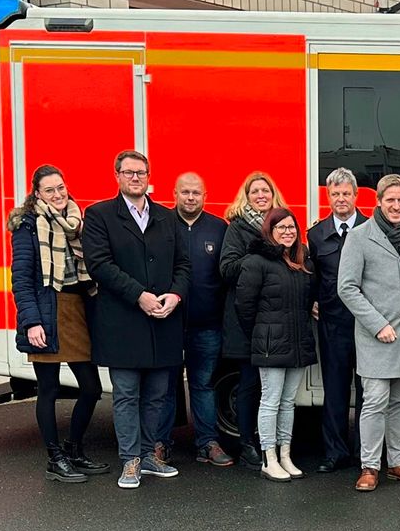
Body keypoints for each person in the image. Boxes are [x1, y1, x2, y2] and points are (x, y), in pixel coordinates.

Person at [83, 150, 190, 489]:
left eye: (141, 172)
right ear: (117, 176)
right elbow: (100, 265)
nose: (135, 178)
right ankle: (129, 461)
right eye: (128, 172)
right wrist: (139, 296)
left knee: (158, 395)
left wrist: (175, 295)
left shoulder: (167, 217)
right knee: (127, 394)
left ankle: (148, 454)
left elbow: (184, 265)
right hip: (123, 322)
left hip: (164, 319)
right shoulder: (99, 215)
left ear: (148, 176)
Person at [8, 164, 107, 483]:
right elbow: (21, 279)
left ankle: (74, 449)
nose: (58, 194)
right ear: (37, 194)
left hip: (76, 308)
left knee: (91, 388)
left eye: (61, 187)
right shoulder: (27, 224)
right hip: (46, 310)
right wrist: (32, 322)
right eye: (50, 190)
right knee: (48, 388)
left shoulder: (77, 221)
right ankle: (55, 458)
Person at [337, 174, 400, 492]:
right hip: (376, 335)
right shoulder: (360, 236)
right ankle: (369, 467)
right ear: (378, 202)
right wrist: (378, 325)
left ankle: (398, 463)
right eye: (390, 199)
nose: (396, 205)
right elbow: (346, 288)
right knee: (374, 402)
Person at [155, 172, 233, 467]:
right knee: (164, 387)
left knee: (203, 385)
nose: (190, 197)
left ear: (205, 196)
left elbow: (225, 277)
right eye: (185, 192)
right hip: (168, 322)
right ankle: (159, 444)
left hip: (207, 324)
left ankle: (207, 443)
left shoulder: (218, 228)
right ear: (174, 194)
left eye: (196, 193)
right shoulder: (160, 224)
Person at [234, 208, 316, 482]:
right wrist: (261, 335)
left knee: (288, 402)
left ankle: (285, 455)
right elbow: (244, 306)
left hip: (297, 341)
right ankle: (269, 458)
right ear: (269, 231)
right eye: (281, 227)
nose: (287, 232)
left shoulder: (302, 260)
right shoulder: (256, 261)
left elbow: (307, 301)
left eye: (291, 227)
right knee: (270, 401)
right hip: (271, 344)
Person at [220, 171, 289, 469]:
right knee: (249, 384)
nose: (261, 196)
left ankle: (272, 443)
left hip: (275, 320)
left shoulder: (281, 226)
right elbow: (227, 268)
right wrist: (258, 254)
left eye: (265, 191)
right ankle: (247, 444)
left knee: (273, 390)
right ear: (245, 197)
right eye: (254, 192)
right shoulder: (237, 229)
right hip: (246, 319)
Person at [307, 167, 368, 473]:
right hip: (332, 322)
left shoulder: (373, 229)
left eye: (346, 193)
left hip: (367, 323)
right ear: (328, 197)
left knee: (369, 391)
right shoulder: (315, 234)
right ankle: (335, 452)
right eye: (335, 194)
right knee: (335, 389)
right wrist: (312, 301)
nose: (341, 199)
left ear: (356, 196)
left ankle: (364, 454)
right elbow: (310, 276)